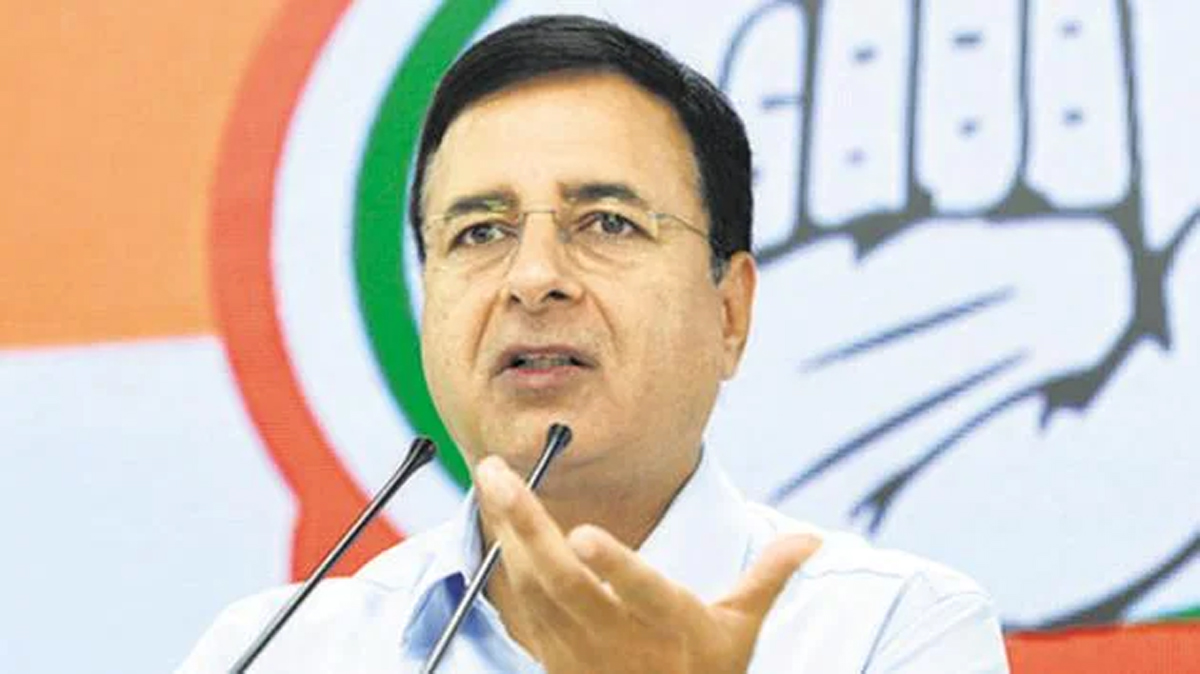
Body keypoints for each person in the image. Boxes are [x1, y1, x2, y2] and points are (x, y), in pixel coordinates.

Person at [179, 15, 1009, 673]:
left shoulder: (890, 631)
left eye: (607, 223)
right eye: (479, 232)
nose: (534, 278)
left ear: (730, 313)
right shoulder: (275, 651)